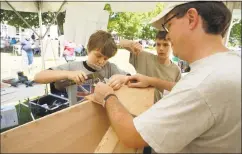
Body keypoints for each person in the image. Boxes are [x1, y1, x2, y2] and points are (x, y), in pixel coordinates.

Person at [89, 1, 241, 153]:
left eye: (169, 25)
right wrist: (151, 81)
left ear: (191, 18)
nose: (168, 35)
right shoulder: (230, 65)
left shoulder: (200, 84)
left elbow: (132, 135)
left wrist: (107, 96)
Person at [34, 30, 132, 105]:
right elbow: (38, 77)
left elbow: (132, 79)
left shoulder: (110, 67)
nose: (101, 61)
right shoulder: (72, 67)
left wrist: (124, 78)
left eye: (106, 58)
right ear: (88, 49)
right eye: (98, 55)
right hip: (77, 115)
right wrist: (68, 74)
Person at [120, 31, 181, 103]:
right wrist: (132, 44)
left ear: (172, 46)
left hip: (160, 110)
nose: (161, 48)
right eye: (158, 44)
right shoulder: (144, 56)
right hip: (139, 106)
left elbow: (179, 94)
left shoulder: (176, 70)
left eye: (165, 45)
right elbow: (121, 42)